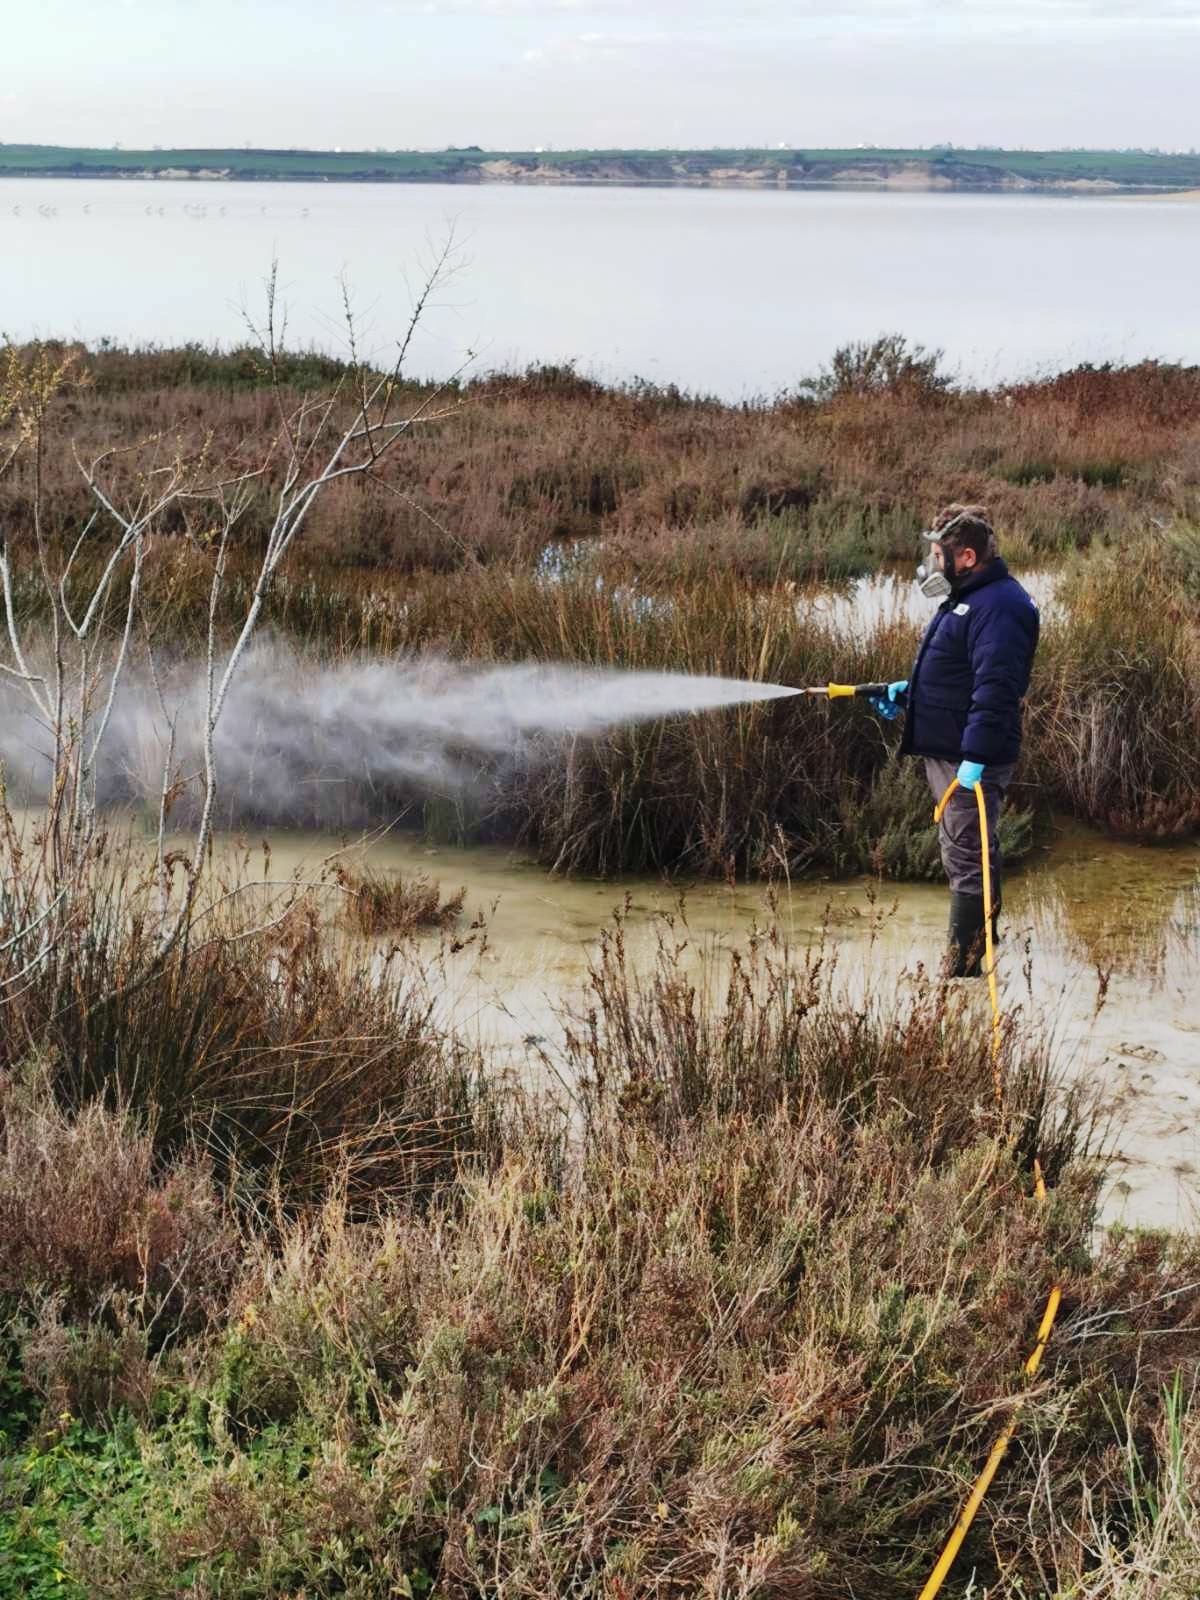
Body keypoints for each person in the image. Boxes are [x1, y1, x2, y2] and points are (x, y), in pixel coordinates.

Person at [871, 505, 1040, 977]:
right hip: (951, 749)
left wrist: (976, 759)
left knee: (969, 856)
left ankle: (965, 970)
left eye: (936, 554)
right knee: (964, 851)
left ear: (965, 556)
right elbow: (960, 673)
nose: (930, 563)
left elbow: (996, 691)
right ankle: (977, 945)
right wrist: (912, 694)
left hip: (970, 759)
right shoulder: (966, 597)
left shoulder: (1001, 607)